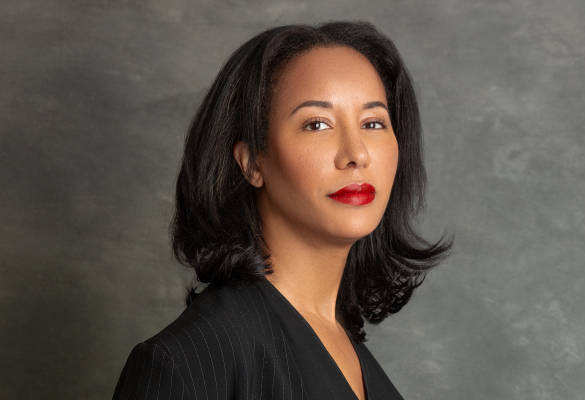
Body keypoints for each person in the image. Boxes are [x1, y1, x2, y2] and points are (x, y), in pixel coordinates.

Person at [113, 21, 452, 400]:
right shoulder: (183, 364)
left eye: (373, 123)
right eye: (317, 124)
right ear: (252, 163)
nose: (357, 154)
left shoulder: (345, 345)